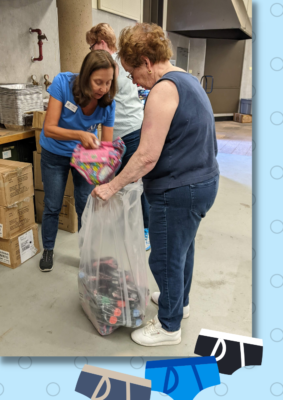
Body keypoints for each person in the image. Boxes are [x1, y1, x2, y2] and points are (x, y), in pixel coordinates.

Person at [91, 23, 219, 346]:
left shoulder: (163, 89)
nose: (132, 80)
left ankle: (168, 326)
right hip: (202, 181)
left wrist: (112, 186)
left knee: (163, 257)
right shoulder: (187, 79)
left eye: (133, 72)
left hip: (179, 189)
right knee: (183, 250)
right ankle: (180, 303)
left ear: (147, 61)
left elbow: (146, 156)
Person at [38, 50, 117, 272]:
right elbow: (50, 128)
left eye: (109, 82)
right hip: (55, 153)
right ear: (85, 77)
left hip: (86, 158)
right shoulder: (63, 83)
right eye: (98, 82)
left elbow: (106, 145)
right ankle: (48, 249)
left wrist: (105, 176)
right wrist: (80, 135)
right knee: (53, 204)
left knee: (86, 206)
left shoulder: (108, 103)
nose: (103, 88)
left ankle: (87, 256)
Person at [87, 23, 151, 251]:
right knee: (119, 183)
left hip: (129, 132)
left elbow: (104, 97)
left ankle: (144, 230)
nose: (91, 51)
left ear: (102, 43)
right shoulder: (115, 64)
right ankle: (128, 224)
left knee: (132, 181)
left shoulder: (114, 65)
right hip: (119, 134)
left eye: (91, 46)